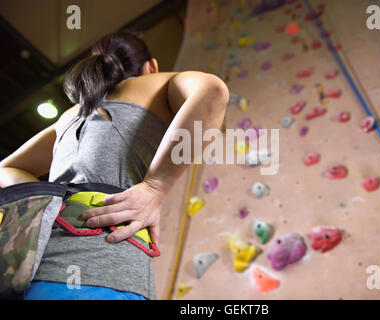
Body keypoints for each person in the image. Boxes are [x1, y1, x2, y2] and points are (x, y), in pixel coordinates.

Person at [0, 31, 228, 299]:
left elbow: (6, 168)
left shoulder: (71, 114)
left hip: (32, 270)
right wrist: (155, 186)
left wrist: (47, 202)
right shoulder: (157, 82)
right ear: (151, 66)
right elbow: (213, 91)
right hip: (108, 269)